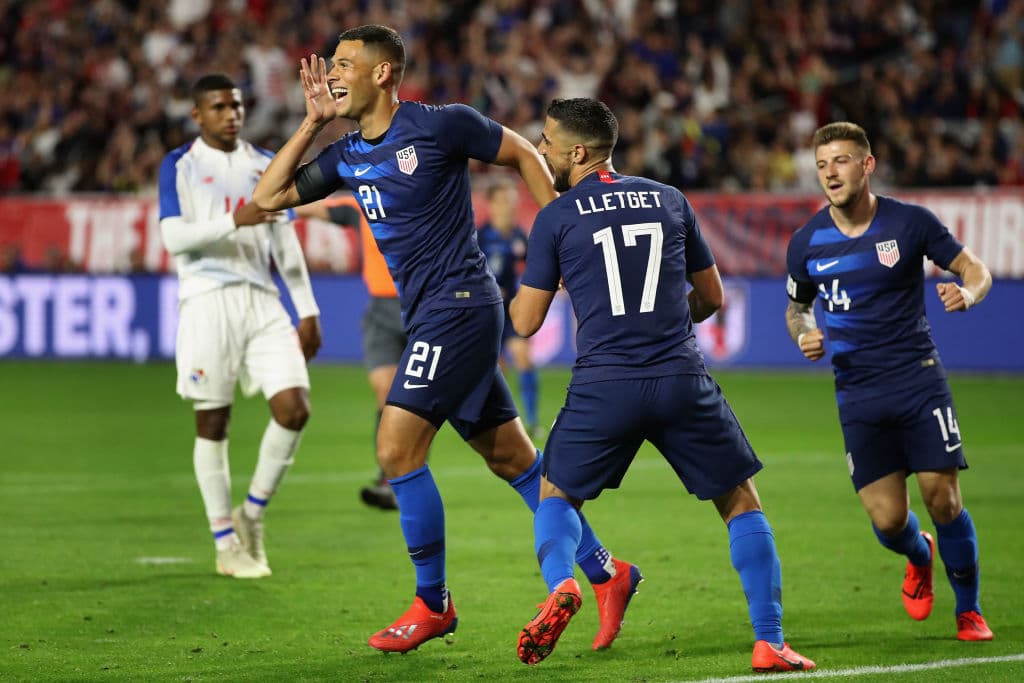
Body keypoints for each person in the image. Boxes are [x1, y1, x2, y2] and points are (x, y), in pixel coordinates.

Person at [253, 25, 640, 653]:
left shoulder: (440, 126)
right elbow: (267, 195)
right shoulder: (347, 153)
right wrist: (311, 125)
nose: (331, 76)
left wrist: (558, 236)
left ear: (382, 74)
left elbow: (520, 151)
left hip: (458, 307)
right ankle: (608, 572)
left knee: (397, 449)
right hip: (434, 315)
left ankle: (432, 603)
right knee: (514, 460)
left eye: (344, 65)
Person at [509, 98, 816, 672]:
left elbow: (525, 323)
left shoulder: (556, 215)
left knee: (556, 494)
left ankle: (560, 587)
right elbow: (713, 297)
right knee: (740, 501)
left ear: (578, 152)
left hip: (604, 384)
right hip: (680, 376)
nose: (541, 150)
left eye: (547, 141)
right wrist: (667, 325)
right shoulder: (670, 199)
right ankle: (769, 640)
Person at [784, 121, 994, 641]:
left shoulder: (910, 224)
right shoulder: (806, 241)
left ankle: (968, 609)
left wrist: (967, 294)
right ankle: (918, 555)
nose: (830, 172)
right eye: (822, 164)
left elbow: (974, 269)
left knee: (942, 497)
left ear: (867, 164)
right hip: (857, 392)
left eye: (841, 160)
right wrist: (804, 335)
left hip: (917, 379)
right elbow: (797, 306)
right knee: (887, 522)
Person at [158, 74, 322, 579]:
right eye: (219, 106)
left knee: (294, 409)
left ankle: (251, 513)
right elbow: (173, 238)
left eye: (236, 105)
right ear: (197, 115)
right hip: (207, 300)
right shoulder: (179, 165)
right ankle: (225, 540)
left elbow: (284, 243)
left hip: (263, 301)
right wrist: (237, 220)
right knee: (213, 421)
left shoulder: (262, 164)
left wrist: (308, 309)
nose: (231, 113)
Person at [296, 195, 401, 510]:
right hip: (381, 310)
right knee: (386, 393)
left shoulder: (421, 197)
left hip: (422, 308)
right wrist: (267, 202)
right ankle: (390, 480)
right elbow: (310, 207)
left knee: (415, 405)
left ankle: (402, 477)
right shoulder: (361, 205)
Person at [477, 179, 541, 437]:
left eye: (511, 200)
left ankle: (533, 421)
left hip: (512, 310)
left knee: (524, 360)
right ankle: (495, 420)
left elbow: (534, 267)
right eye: (503, 200)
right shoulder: (480, 236)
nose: (509, 206)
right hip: (487, 312)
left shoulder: (518, 235)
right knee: (495, 368)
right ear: (491, 204)